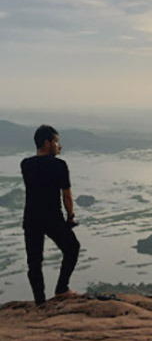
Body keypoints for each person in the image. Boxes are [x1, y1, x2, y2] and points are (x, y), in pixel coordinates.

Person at [21, 125, 80, 305]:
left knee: (34, 262)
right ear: (46, 143)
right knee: (72, 248)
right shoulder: (60, 165)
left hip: (31, 219)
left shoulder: (26, 164)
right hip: (52, 218)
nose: (59, 146)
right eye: (56, 141)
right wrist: (70, 216)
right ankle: (62, 288)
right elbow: (66, 195)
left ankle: (40, 302)